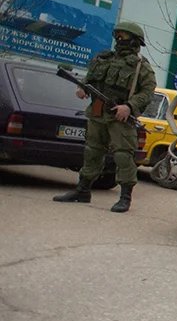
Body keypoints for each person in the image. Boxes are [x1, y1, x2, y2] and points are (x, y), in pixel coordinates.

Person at [52, 22, 156, 212]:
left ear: (135, 40)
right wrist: (82, 87)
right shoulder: (103, 58)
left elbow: (147, 92)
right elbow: (89, 79)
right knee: (92, 151)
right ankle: (82, 190)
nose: (119, 39)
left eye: (123, 36)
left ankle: (125, 197)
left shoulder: (142, 67)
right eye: (118, 35)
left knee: (123, 155)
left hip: (120, 116)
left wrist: (129, 106)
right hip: (98, 112)